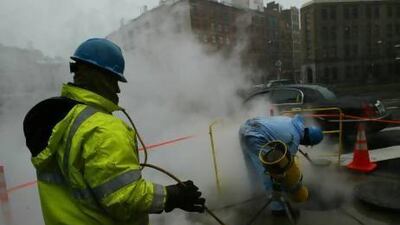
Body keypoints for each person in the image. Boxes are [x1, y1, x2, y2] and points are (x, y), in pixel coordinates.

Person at [23, 38, 205, 225]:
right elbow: (124, 197)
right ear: (96, 76)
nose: (117, 90)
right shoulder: (102, 128)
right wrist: (172, 196)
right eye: (113, 80)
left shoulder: (62, 120)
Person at [238, 115, 323, 215]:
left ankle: (256, 195)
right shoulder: (293, 138)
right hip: (254, 136)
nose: (306, 146)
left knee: (252, 167)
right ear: (309, 139)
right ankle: (276, 207)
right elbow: (285, 166)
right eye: (308, 144)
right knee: (271, 169)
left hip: (244, 129)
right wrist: (295, 186)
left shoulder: (291, 122)